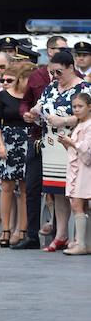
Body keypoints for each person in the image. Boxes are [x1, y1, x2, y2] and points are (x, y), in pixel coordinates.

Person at [27, 51, 89, 252]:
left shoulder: (84, 88)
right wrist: (33, 114)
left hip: (75, 144)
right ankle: (61, 234)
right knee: (57, 191)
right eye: (52, 72)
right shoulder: (52, 87)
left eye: (59, 72)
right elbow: (40, 106)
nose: (55, 76)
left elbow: (87, 115)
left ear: (71, 67)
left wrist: (64, 120)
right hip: (52, 144)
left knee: (75, 191)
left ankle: (79, 239)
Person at [14, 35, 66, 250]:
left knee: (60, 190)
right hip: (37, 138)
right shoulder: (36, 76)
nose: (63, 51)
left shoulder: (76, 78)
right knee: (32, 187)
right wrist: (26, 113)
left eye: (66, 49)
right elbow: (25, 102)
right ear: (49, 51)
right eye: (59, 48)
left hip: (62, 141)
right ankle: (32, 235)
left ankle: (60, 233)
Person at [0, 62, 34, 247]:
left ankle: (22, 229)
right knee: (6, 186)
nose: (30, 83)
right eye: (27, 79)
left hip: (28, 140)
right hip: (8, 142)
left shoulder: (31, 98)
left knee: (26, 187)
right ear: (20, 78)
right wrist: (0, 145)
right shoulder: (3, 95)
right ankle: (6, 228)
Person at [57, 92, 91, 255]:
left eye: (80, 106)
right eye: (74, 107)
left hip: (86, 170)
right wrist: (66, 143)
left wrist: (72, 142)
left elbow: (87, 151)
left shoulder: (89, 125)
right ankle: (82, 241)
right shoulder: (79, 124)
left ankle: (82, 244)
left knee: (78, 204)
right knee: (80, 205)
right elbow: (75, 150)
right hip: (78, 167)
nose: (76, 110)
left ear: (89, 107)